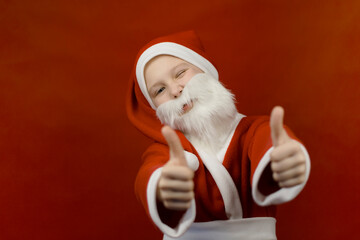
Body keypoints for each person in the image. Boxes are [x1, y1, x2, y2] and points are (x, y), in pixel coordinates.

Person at [126, 30, 310, 240]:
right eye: (159, 91)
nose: (176, 90)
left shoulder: (252, 130)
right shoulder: (167, 152)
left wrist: (281, 159)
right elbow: (150, 172)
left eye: (180, 73)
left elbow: (268, 140)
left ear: (204, 69)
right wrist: (162, 187)